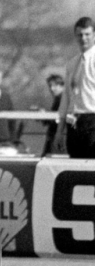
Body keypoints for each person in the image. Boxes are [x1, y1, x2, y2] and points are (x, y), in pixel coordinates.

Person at [53, 16, 95, 159]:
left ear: (93, 34)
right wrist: (59, 132)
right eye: (80, 35)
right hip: (74, 123)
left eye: (87, 34)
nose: (84, 38)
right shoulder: (72, 63)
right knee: (75, 169)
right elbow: (66, 98)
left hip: (92, 121)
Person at [41, 74, 65, 156]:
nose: (52, 89)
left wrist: (44, 116)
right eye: (50, 86)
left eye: (55, 86)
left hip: (58, 137)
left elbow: (59, 119)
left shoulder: (63, 100)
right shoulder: (58, 99)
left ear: (62, 85)